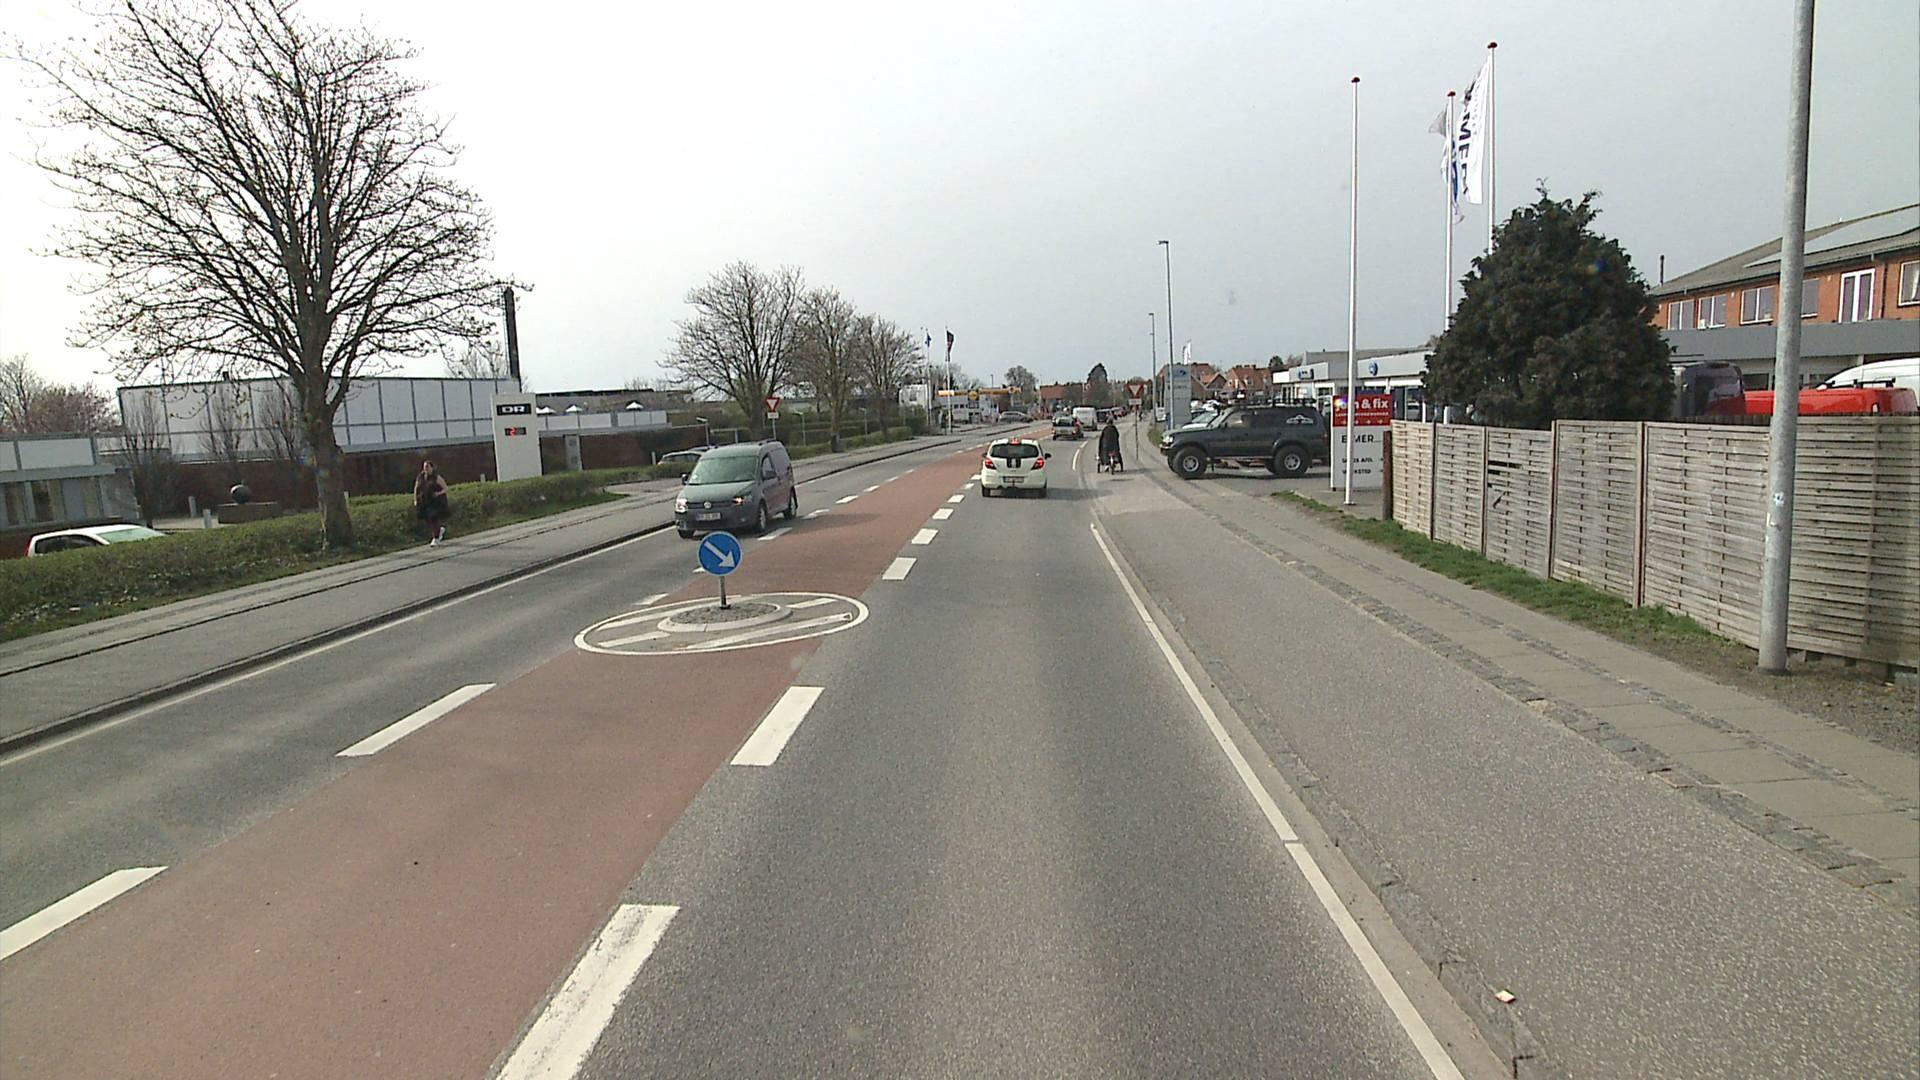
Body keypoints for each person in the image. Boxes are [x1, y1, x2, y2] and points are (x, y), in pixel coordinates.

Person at [414, 459, 451, 546]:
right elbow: (416, 488)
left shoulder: (436, 477)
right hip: (424, 501)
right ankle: (439, 530)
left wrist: (438, 493)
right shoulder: (420, 477)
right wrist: (415, 499)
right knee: (427, 519)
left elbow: (446, 488)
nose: (426, 469)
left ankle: (436, 538)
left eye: (427, 467)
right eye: (424, 467)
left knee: (433, 518)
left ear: (432, 468)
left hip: (434, 501)